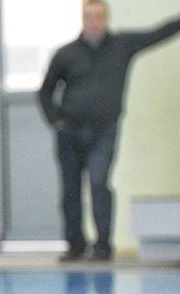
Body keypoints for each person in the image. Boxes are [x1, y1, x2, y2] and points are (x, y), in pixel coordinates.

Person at [39, 0, 180, 262]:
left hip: (104, 132)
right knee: (70, 190)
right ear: (82, 19)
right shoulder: (66, 54)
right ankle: (75, 246)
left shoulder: (122, 46)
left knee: (99, 183)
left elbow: (157, 34)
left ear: (107, 18)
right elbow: (45, 91)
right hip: (70, 132)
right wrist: (55, 120)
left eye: (99, 16)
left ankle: (103, 246)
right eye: (89, 16)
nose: (94, 21)